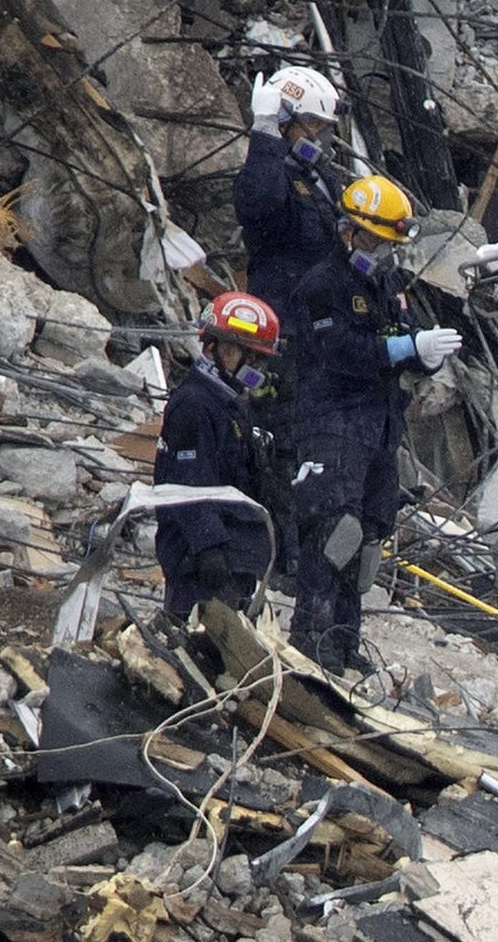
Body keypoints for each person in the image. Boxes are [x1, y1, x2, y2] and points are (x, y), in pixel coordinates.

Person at [288, 175, 462, 672]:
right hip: (333, 421)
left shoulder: (387, 286)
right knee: (332, 532)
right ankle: (311, 638)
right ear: (350, 232)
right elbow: (338, 351)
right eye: (379, 241)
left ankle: (344, 641)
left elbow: (402, 346)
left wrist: (425, 351)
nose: (386, 253)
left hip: (379, 427)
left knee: (366, 539)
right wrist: (404, 348)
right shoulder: (323, 285)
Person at [233, 64, 351, 570]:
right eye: (312, 126)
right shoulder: (270, 173)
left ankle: (304, 555)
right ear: (284, 120)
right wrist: (262, 135)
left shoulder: (316, 176)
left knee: (312, 446)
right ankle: (275, 557)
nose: (319, 138)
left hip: (318, 336)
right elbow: (256, 203)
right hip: (280, 334)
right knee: (276, 443)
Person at [154, 292, 283, 617]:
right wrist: (209, 549)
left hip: (234, 551)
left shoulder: (229, 404)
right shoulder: (195, 405)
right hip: (201, 560)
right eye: (247, 356)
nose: (254, 368)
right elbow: (188, 484)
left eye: (259, 359)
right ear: (213, 348)